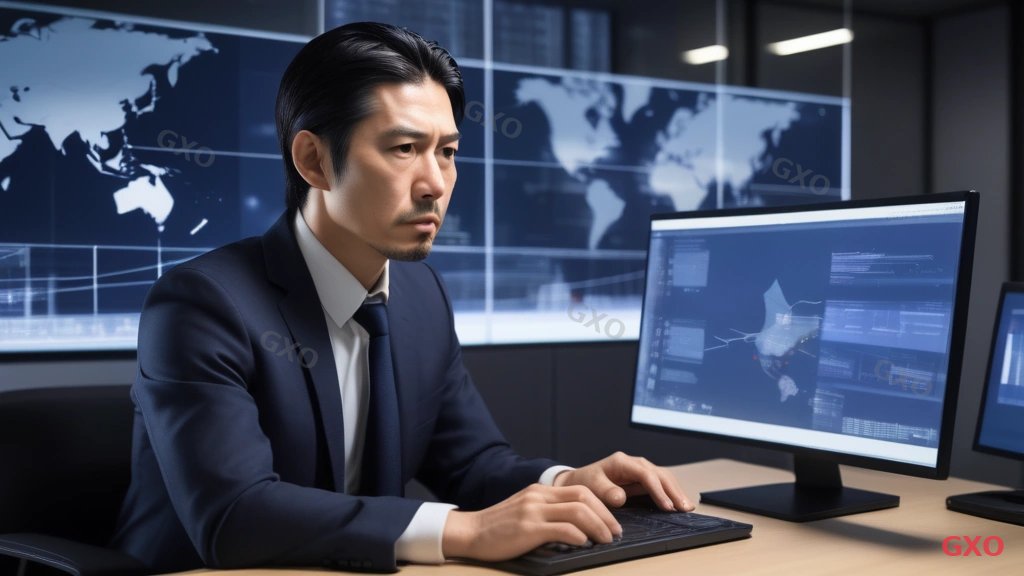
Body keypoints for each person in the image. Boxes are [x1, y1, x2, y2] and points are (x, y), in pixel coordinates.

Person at [108, 21, 694, 574]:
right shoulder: (202, 304)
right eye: (404, 148)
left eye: (447, 151)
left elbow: (472, 465)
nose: (436, 183)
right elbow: (234, 515)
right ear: (314, 160)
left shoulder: (419, 293)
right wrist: (465, 532)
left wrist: (566, 484)